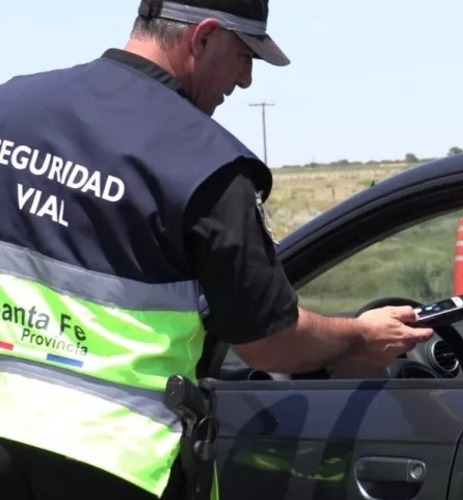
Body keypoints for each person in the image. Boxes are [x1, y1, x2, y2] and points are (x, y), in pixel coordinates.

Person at [0, 1, 434, 499]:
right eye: (244, 55)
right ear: (203, 38)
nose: (245, 80)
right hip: (115, 462)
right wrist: (357, 336)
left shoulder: (11, 107)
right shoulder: (207, 163)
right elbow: (270, 340)